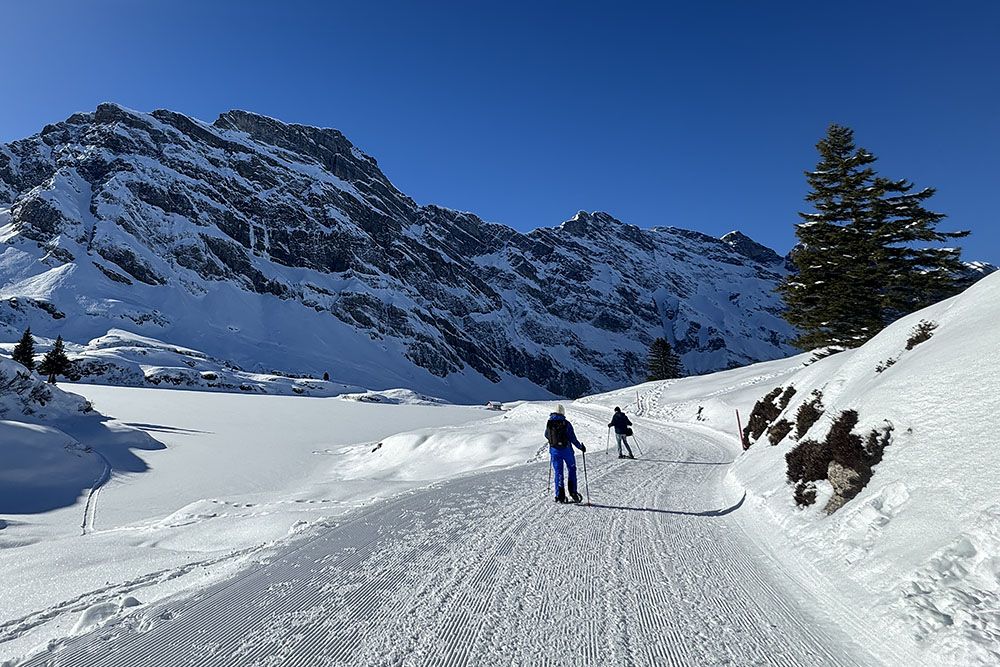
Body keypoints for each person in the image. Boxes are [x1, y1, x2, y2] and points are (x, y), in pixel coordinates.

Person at [545, 404, 586, 503]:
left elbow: (546, 435)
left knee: (558, 472)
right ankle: (573, 492)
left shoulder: (549, 423)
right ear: (563, 412)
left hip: (554, 451)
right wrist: (580, 447)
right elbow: (573, 438)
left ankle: (560, 495)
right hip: (567, 451)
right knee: (571, 469)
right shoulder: (566, 423)